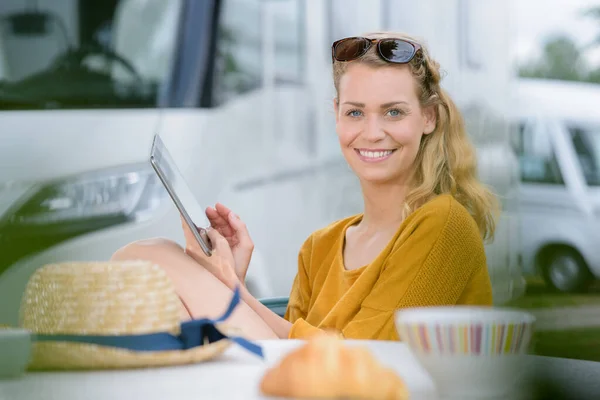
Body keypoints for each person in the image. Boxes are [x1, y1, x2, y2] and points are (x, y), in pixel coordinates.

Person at [111, 32, 499, 341]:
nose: (372, 132)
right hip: (295, 381)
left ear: (428, 118)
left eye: (393, 112)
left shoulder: (444, 224)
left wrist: (234, 293)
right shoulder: (320, 248)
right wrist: (231, 279)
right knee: (147, 275)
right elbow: (289, 345)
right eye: (355, 112)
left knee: (150, 253)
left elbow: (364, 361)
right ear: (336, 115)